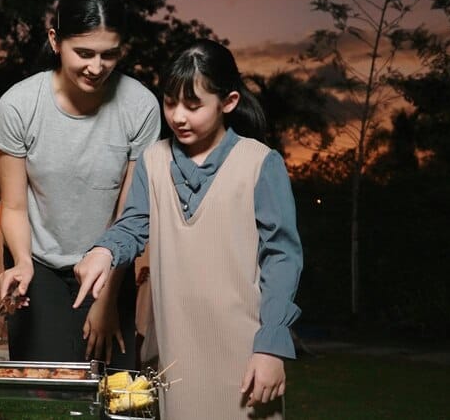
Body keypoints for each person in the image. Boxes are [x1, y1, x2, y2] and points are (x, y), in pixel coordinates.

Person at [73, 39, 303, 419]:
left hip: (247, 356)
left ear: (228, 102)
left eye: (193, 106)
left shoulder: (261, 163)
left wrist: (271, 346)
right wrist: (105, 250)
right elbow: (133, 225)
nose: (178, 116)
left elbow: (282, 258)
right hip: (175, 358)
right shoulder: (153, 160)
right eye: (169, 103)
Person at [0, 0, 160, 366]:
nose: (96, 68)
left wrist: (108, 300)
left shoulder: (141, 106)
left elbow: (129, 215)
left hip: (109, 264)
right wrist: (22, 263)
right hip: (39, 266)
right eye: (84, 53)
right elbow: (14, 207)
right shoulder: (18, 106)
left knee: (114, 386)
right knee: (44, 386)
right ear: (55, 41)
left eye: (109, 54)